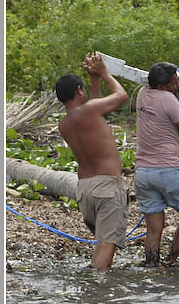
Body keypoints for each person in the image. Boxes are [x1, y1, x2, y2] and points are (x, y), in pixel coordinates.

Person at [55, 53, 129, 270]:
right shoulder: (88, 111)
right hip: (106, 186)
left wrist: (94, 77)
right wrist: (105, 73)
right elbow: (121, 95)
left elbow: (95, 102)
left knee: (102, 242)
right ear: (79, 91)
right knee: (108, 244)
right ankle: (97, 293)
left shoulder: (65, 123)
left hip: (85, 190)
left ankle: (94, 283)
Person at [134, 61, 179, 267]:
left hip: (143, 172)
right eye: (174, 83)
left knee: (154, 228)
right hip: (168, 169)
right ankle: (171, 261)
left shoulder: (143, 94)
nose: (177, 86)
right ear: (162, 87)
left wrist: (176, 88)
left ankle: (152, 265)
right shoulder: (167, 98)